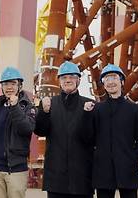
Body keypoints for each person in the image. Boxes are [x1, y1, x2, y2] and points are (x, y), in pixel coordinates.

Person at [81, 64, 138, 198]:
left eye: (114, 78)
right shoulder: (96, 110)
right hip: (103, 170)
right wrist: (86, 115)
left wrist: (132, 158)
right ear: (103, 84)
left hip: (127, 169)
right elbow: (87, 138)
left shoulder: (134, 110)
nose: (111, 82)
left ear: (122, 82)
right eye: (106, 79)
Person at [35, 61, 94, 198]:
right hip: (56, 178)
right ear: (59, 81)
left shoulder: (89, 105)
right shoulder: (49, 103)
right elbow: (40, 131)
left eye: (72, 77)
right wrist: (44, 112)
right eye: (64, 77)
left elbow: (90, 138)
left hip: (82, 179)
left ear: (79, 80)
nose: (68, 80)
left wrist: (87, 115)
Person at [0, 66, 36, 198]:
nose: (9, 87)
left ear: (20, 85)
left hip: (16, 169)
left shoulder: (28, 107)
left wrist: (15, 107)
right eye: (6, 84)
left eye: (13, 83)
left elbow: (27, 129)